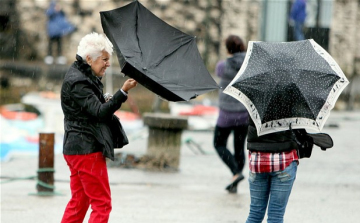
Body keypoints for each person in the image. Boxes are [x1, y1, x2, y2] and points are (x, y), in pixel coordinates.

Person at [60, 32, 138, 223]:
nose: (108, 64)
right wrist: (122, 92)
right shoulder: (79, 81)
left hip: (76, 148)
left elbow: (90, 108)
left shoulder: (81, 74)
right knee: (102, 203)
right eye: (104, 59)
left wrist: (107, 98)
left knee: (79, 201)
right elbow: (100, 113)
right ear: (89, 59)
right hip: (86, 149)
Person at [213, 35, 249, 194]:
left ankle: (235, 172)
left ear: (228, 49)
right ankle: (236, 177)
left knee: (219, 143)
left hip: (226, 114)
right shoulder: (249, 66)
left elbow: (218, 72)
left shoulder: (222, 66)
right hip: (244, 114)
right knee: (239, 147)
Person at [245, 118, 299, 223]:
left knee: (255, 214)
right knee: (276, 215)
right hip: (284, 160)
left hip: (258, 161)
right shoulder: (291, 102)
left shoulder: (254, 102)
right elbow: (298, 131)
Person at [44, 0, 75, 64]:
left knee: (59, 45)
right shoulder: (51, 12)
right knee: (50, 45)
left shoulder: (61, 14)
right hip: (52, 32)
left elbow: (64, 22)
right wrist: (54, 10)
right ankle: (49, 57)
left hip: (59, 32)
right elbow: (48, 13)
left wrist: (70, 28)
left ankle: (59, 57)